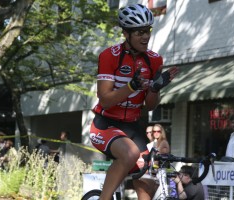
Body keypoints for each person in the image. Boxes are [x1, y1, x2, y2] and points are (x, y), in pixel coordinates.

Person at [89, 4, 179, 199]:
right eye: (140, 32)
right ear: (126, 33)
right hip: (105, 124)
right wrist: (130, 87)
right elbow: (105, 100)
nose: (145, 37)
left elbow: (150, 106)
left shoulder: (154, 60)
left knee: (148, 179)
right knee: (129, 154)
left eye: (147, 31)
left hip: (133, 127)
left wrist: (154, 89)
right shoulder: (109, 56)